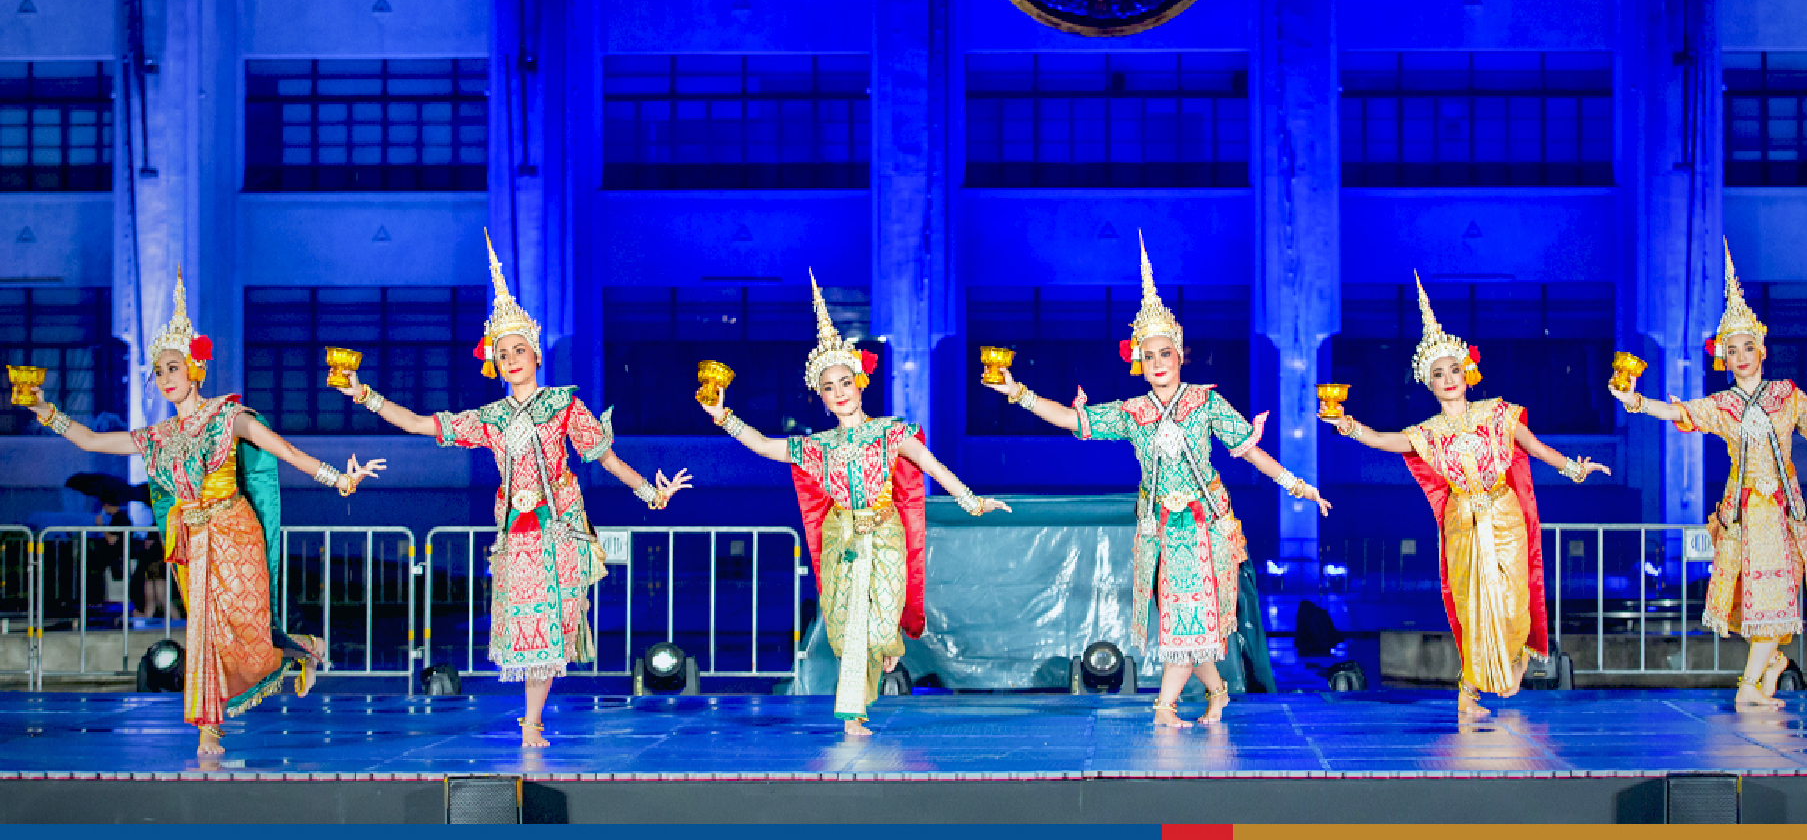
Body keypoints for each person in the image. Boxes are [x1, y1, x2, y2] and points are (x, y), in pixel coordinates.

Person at [337, 232, 691, 747]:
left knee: (553, 630)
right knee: (529, 634)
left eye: (519, 348)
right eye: (502, 352)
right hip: (518, 535)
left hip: (560, 528)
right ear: (495, 364)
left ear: (535, 353)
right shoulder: (490, 419)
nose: (511, 357)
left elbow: (605, 457)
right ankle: (531, 723)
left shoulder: (565, 405)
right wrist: (364, 395)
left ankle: (533, 722)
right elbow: (419, 424)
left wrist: (649, 492)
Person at [985, 234, 1330, 728]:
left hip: (1207, 526)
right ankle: (1217, 692)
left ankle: (1165, 706)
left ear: (1181, 354)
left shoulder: (1206, 403)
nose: (1159, 362)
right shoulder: (1134, 412)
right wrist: (1018, 392)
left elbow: (1252, 453)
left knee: (1192, 621)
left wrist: (1302, 488)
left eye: (1166, 353)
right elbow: (1073, 422)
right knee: (1184, 623)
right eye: (1150, 356)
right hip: (1162, 529)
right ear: (1139, 364)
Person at [27, 270, 378, 755]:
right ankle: (209, 730)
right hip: (192, 540)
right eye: (159, 372)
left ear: (194, 367)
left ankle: (304, 648)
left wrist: (339, 478)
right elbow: (90, 440)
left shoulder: (229, 417)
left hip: (235, 532)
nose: (165, 379)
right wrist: (46, 410)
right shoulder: (159, 437)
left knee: (249, 632)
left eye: (173, 367)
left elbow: (287, 453)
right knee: (205, 633)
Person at [700, 272, 1009, 736]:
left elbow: (930, 464)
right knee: (850, 633)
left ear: (861, 383)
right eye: (830, 386)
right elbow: (765, 446)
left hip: (884, 536)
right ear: (821, 397)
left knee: (883, 628)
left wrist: (969, 499)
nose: (840, 391)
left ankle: (887, 654)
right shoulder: (817, 446)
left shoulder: (890, 432)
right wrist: (723, 415)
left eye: (847, 381)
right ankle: (852, 715)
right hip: (842, 539)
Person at [1611, 241, 1807, 708]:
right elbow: (1678, 410)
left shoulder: (1786, 394)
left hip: (1783, 511)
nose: (1739, 356)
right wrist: (1635, 401)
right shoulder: (1725, 406)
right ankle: (1749, 687)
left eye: (1746, 347)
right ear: (1724, 356)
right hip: (1745, 513)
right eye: (1731, 350)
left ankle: (1768, 669)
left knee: (1780, 599)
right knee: (1761, 601)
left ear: (1762, 348)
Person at [1326, 273, 1609, 718]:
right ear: (1429, 383)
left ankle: (1512, 662)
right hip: (1463, 522)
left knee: (1515, 603)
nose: (1448, 378)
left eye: (1453, 369)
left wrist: (1573, 467)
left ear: (1467, 372)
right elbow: (1383, 440)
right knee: (1473, 609)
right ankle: (1469, 690)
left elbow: (1533, 448)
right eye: (1437, 373)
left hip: (1506, 515)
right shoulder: (1428, 433)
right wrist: (1350, 427)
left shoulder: (1498, 413)